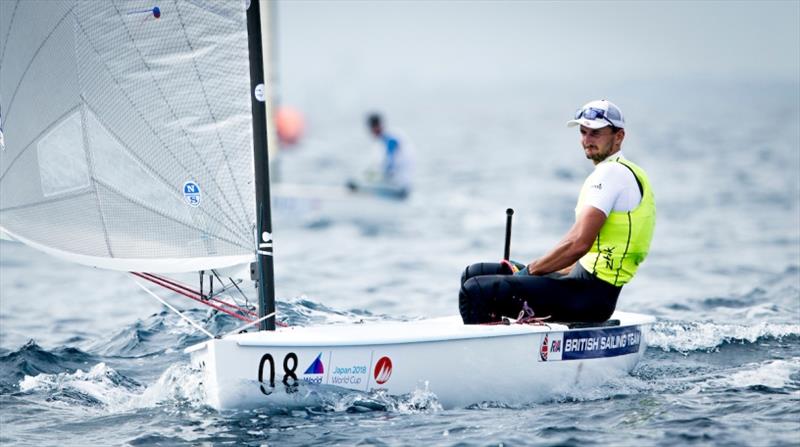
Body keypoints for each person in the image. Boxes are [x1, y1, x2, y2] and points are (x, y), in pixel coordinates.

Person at [459, 100, 656, 324]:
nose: (587, 140)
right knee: (474, 273)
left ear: (619, 136)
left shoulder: (610, 174)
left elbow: (578, 244)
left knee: (475, 290)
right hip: (582, 284)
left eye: (596, 133)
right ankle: (496, 327)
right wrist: (536, 274)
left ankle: (487, 352)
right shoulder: (629, 172)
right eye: (583, 132)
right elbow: (591, 251)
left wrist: (530, 272)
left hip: (588, 299)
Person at [347, 113, 413, 198]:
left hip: (400, 187)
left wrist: (371, 177)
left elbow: (390, 163)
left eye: (371, 129)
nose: (371, 133)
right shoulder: (392, 134)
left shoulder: (390, 138)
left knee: (358, 182)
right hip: (404, 183)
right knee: (370, 175)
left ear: (376, 127)